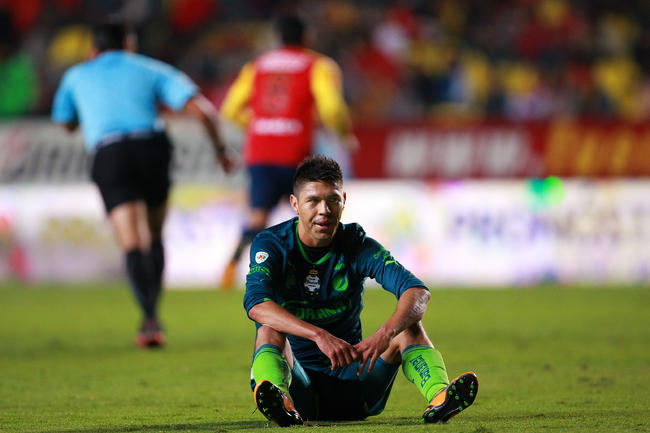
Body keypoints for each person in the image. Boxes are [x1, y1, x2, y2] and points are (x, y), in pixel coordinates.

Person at [244, 155, 478, 426]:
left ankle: (440, 397)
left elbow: (417, 291)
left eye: (332, 200)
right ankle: (281, 402)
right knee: (268, 330)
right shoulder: (272, 244)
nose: (324, 210)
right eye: (313, 201)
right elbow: (256, 304)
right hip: (301, 389)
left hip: (356, 384)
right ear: (295, 204)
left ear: (344, 200)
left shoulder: (357, 245)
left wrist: (384, 334)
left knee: (407, 326)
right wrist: (319, 335)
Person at [51, 21, 233, 348]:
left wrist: (90, 109)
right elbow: (203, 112)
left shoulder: (76, 75)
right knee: (155, 235)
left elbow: (65, 123)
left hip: (110, 153)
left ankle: (149, 319)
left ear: (94, 50)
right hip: (152, 148)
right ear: (129, 45)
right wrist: (220, 150)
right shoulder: (151, 68)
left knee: (132, 242)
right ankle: (154, 312)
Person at [219, 14, 358, 289]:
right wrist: (344, 135)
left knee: (258, 216)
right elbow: (331, 108)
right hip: (296, 152)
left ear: (278, 38)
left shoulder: (256, 66)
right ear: (306, 38)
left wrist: (258, 124)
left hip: (260, 151)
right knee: (312, 214)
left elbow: (230, 109)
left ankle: (233, 266)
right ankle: (318, 275)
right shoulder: (318, 65)